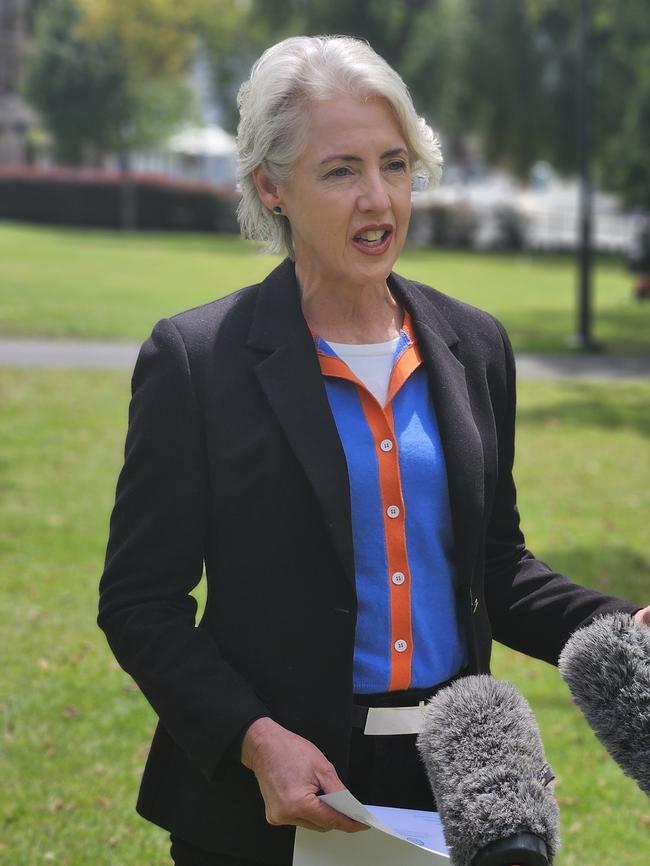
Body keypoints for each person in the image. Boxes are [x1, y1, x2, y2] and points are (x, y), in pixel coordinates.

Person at [98, 35, 650, 866]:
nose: (378, 199)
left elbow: (496, 566)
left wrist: (623, 624)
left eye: (395, 164)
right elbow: (141, 603)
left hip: (453, 786)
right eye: (341, 170)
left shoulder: (474, 344)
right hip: (270, 800)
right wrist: (255, 740)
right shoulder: (196, 361)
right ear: (270, 187)